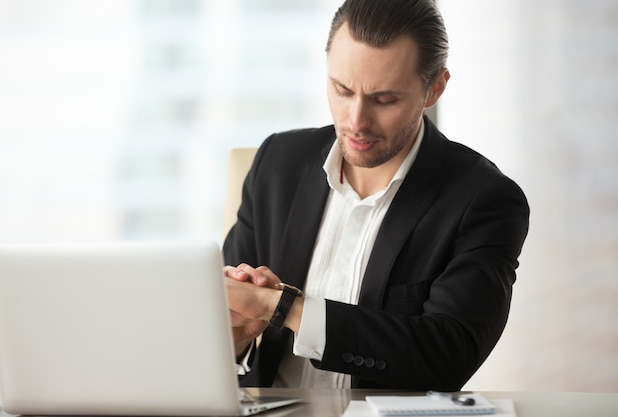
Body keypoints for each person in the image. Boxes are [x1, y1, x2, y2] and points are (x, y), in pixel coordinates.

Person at [222, 0, 529, 391]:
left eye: (385, 100)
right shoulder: (277, 164)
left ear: (434, 88)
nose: (356, 121)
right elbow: (217, 325)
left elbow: (449, 355)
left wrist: (284, 307)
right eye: (342, 90)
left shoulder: (485, 200)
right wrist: (236, 333)